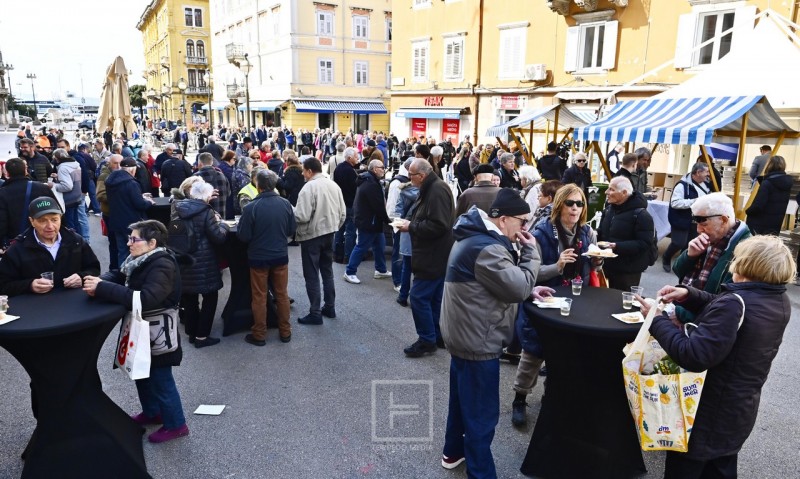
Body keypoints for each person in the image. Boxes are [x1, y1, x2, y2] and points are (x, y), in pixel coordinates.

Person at [641, 235, 793, 479]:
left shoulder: (737, 302)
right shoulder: (777, 299)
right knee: (720, 467)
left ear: (746, 263)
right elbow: (727, 311)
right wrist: (688, 294)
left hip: (707, 412)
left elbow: (694, 355)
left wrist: (657, 319)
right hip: (738, 410)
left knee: (688, 469)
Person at [439, 190, 541, 476]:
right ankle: (481, 472)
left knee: (461, 403)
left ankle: (452, 453)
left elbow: (494, 282)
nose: (525, 228)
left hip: (465, 334)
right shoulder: (488, 247)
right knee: (481, 417)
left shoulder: (477, 238)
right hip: (477, 339)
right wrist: (532, 253)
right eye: (522, 221)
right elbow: (517, 287)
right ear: (504, 218)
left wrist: (530, 286)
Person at [82, 220, 189, 444]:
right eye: (129, 238)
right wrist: (98, 280)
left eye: (134, 239)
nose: (129, 242)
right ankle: (152, 413)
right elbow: (120, 275)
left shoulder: (162, 264)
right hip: (141, 328)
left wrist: (102, 288)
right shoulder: (139, 258)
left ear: (151, 243)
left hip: (158, 331)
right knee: (141, 373)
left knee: (161, 379)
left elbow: (146, 299)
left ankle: (176, 424)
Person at [397, 159, 455, 357]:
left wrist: (410, 226)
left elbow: (439, 225)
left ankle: (427, 339)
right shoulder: (434, 187)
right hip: (436, 254)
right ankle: (437, 335)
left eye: (411, 174)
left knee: (419, 297)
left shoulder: (436, 189)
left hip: (433, 255)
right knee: (434, 298)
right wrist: (411, 222)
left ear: (421, 176)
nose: (409, 177)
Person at [672, 192, 752, 323]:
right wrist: (689, 256)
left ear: (724, 220)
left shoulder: (745, 250)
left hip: (702, 323)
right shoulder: (713, 235)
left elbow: (724, 304)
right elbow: (678, 270)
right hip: (686, 309)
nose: (698, 229)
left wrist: (680, 314)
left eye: (703, 223)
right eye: (696, 222)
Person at [237, 169, 296, 345]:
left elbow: (244, 236)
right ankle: (285, 331)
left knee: (259, 296)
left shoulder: (251, 207)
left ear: (258, 185)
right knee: (282, 294)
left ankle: (260, 334)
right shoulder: (285, 204)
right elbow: (291, 230)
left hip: (258, 257)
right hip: (279, 255)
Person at [0, 196, 100, 296]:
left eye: (54, 219)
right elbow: (3, 285)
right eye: (42, 221)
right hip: (36, 308)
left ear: (60, 218)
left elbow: (94, 268)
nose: (50, 226)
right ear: (32, 221)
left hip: (73, 304)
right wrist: (30, 285)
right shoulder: (18, 249)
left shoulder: (76, 241)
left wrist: (81, 277)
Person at [173, 181, 229, 348]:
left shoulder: (178, 208)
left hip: (184, 260)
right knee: (210, 297)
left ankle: (191, 332)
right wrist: (222, 224)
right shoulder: (206, 211)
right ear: (206, 195)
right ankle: (202, 336)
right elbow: (218, 237)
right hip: (204, 262)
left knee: (190, 299)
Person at [293, 157, 346, 325]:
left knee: (312, 275)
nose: (302, 174)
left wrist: (290, 210)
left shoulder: (309, 187)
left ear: (309, 171)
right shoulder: (334, 185)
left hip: (312, 236)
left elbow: (301, 216)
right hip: (329, 233)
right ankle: (329, 307)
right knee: (327, 272)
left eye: (303, 171)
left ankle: (315, 312)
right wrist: (334, 226)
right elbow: (343, 213)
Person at [532, 183, 598, 287]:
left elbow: (594, 269)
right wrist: (557, 266)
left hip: (581, 295)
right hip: (550, 297)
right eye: (569, 203)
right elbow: (531, 274)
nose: (575, 207)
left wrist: (597, 261)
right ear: (559, 205)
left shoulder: (588, 232)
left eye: (579, 204)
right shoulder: (541, 234)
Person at [597, 176, 655, 291]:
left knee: (622, 303)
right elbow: (602, 232)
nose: (606, 192)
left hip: (628, 270)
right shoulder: (609, 209)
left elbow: (644, 243)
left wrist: (617, 246)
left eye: (611, 189)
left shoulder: (641, 215)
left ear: (624, 193)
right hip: (607, 266)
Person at [343, 159, 392, 284]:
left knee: (379, 245)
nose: (384, 169)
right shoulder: (371, 183)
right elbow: (378, 205)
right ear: (375, 169)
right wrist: (387, 220)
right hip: (369, 221)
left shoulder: (369, 180)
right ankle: (350, 272)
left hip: (371, 221)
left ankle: (380, 270)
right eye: (382, 167)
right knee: (362, 246)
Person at [105, 158, 155, 266]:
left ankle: (121, 278)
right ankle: (131, 277)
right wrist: (149, 202)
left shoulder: (110, 181)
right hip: (131, 223)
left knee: (122, 252)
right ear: (132, 170)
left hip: (116, 222)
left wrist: (140, 196)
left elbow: (122, 198)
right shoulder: (131, 183)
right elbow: (140, 204)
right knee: (135, 253)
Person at [662, 163, 711, 272]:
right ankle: (666, 257)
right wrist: (694, 202)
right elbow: (675, 203)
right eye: (706, 172)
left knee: (690, 244)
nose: (708, 175)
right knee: (678, 242)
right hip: (681, 219)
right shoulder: (682, 185)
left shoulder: (706, 185)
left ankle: (681, 265)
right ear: (698, 172)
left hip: (696, 220)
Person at [0, 158, 57, 248]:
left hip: (17, 241)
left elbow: (2, 221)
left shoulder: (2, 193)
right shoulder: (42, 188)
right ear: (25, 170)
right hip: (42, 236)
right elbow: (56, 212)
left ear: (7, 173)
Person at [745, 155, 792, 235]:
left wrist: (748, 211)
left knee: (755, 246)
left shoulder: (767, 183)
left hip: (759, 225)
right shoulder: (787, 183)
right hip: (775, 224)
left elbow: (758, 206)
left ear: (769, 165)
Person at [332, 147, 359, 264]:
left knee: (339, 229)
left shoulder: (339, 168)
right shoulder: (350, 171)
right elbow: (354, 187)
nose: (358, 159)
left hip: (340, 203)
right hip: (350, 204)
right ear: (349, 158)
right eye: (356, 157)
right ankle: (348, 256)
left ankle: (336, 254)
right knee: (350, 231)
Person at [51, 148, 84, 237]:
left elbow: (67, 186)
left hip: (68, 199)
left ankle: (74, 244)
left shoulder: (63, 168)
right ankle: (81, 243)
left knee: (70, 225)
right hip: (77, 196)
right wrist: (59, 177)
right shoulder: (75, 164)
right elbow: (72, 180)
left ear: (57, 158)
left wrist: (53, 185)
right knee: (76, 222)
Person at [193, 152, 231, 219]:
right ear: (212, 162)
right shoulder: (222, 175)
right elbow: (228, 194)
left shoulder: (196, 177)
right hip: (221, 216)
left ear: (200, 163)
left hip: (203, 218)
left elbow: (192, 197)